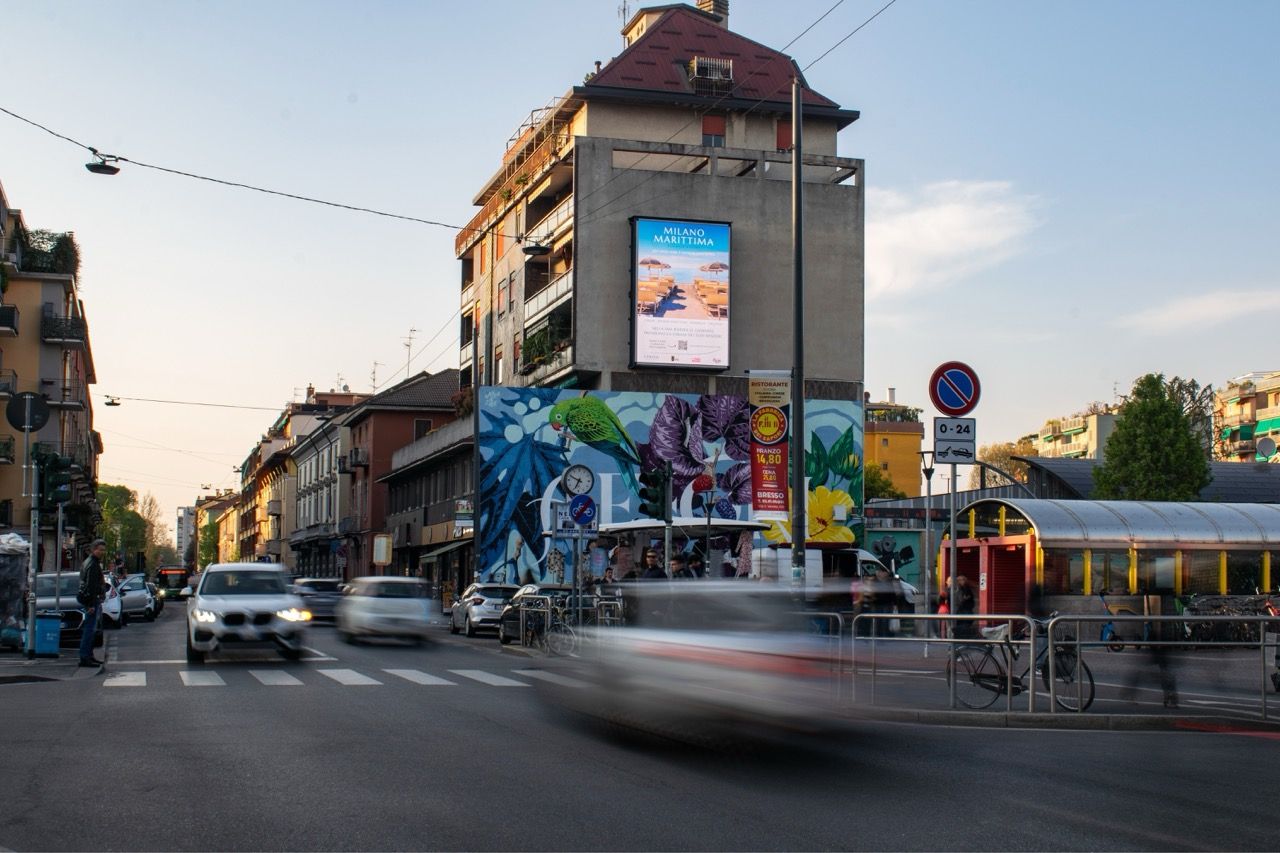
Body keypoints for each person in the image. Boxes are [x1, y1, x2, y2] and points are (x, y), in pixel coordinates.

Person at [77, 539, 108, 667]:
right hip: (91, 600)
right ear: (93, 549)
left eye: (103, 550)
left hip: (90, 599)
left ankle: (89, 656)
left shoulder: (90, 562)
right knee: (89, 630)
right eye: (100, 550)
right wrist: (89, 604)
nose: (102, 552)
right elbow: (90, 585)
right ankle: (85, 657)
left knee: (91, 630)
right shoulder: (92, 564)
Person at [950, 574, 977, 639]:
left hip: (965, 611)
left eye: (962, 580)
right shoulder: (958, 589)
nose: (962, 582)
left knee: (964, 626)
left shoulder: (965, 589)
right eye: (960, 580)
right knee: (962, 626)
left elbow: (965, 599)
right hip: (962, 611)